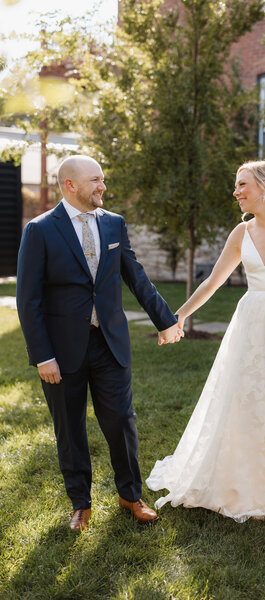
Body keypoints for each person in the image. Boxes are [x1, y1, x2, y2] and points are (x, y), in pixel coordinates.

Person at [147, 160, 265, 557]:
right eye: (235, 186)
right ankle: (253, 494)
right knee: (249, 408)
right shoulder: (242, 232)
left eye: (241, 184)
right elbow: (213, 281)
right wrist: (177, 316)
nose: (235, 191)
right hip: (251, 328)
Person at [17, 155, 183, 532]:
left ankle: (130, 495)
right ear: (70, 185)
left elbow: (136, 277)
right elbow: (29, 300)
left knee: (121, 422)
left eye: (103, 180)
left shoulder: (113, 224)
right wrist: (43, 356)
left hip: (110, 344)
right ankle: (81, 504)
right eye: (95, 180)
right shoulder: (40, 230)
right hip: (61, 351)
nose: (102, 187)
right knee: (70, 428)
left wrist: (166, 320)